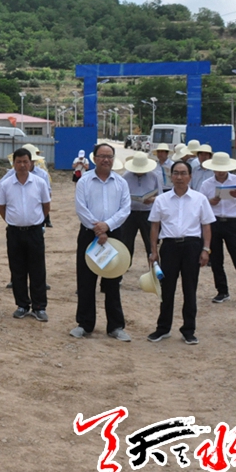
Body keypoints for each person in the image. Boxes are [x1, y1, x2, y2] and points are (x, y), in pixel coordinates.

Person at [147, 161, 216, 345]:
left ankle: (188, 330)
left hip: (192, 246)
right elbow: (154, 226)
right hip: (169, 246)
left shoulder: (200, 199)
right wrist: (153, 251)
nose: (179, 177)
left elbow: (206, 226)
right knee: (167, 289)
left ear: (190, 177)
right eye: (176, 173)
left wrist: (206, 249)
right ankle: (163, 328)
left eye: (183, 173)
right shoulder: (161, 200)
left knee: (190, 289)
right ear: (171, 176)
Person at [71, 143, 132, 342]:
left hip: (114, 235)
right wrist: (97, 229)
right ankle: (84, 324)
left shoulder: (121, 182)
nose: (106, 159)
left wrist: (107, 226)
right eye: (102, 156)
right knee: (86, 280)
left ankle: (115, 326)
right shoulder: (84, 181)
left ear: (113, 159)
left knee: (113, 280)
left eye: (109, 156)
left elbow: (125, 209)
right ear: (94, 158)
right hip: (89, 234)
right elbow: (81, 208)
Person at [0, 147, 51, 321]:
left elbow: (46, 206)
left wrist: (38, 220)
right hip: (14, 232)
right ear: (13, 163)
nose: (22, 165)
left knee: (37, 270)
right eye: (18, 162)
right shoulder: (6, 184)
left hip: (35, 231)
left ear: (31, 163)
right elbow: (1, 207)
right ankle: (22, 305)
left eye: (25, 162)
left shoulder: (40, 182)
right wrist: (13, 220)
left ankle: (39, 307)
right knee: (17, 269)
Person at [197, 152, 236, 307]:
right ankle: (222, 291)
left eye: (223, 168)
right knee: (216, 260)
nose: (220, 171)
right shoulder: (207, 184)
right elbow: (200, 204)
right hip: (214, 222)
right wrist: (211, 201)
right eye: (217, 168)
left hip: (231, 222)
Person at [120, 152, 164, 263]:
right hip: (130, 213)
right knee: (126, 240)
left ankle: (153, 265)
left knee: (151, 241)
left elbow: (161, 196)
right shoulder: (126, 177)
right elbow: (120, 195)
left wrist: (152, 199)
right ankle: (125, 264)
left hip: (148, 213)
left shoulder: (154, 176)